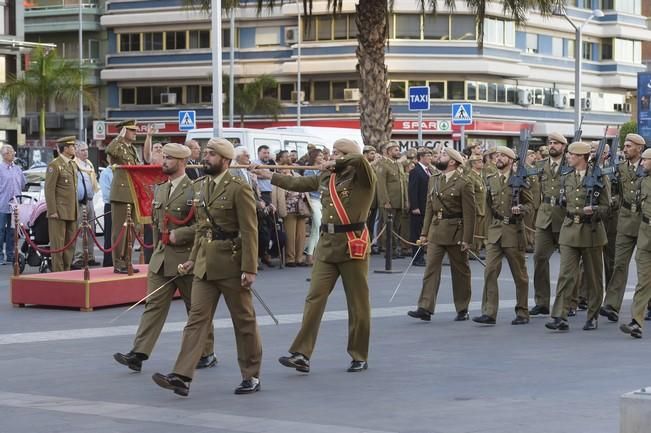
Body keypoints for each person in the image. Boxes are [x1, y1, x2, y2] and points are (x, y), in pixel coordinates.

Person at [152, 137, 262, 396]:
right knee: (196, 321)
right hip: (203, 266)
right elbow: (203, 229)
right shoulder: (201, 187)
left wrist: (250, 268)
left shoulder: (238, 187)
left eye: (212, 154)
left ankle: (251, 375)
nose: (206, 158)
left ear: (225, 160)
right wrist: (192, 258)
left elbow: (250, 230)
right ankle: (182, 376)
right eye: (206, 153)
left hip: (232, 264)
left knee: (243, 322)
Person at [256, 139, 376, 373]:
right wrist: (268, 175)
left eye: (336, 152)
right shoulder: (326, 177)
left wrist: (335, 162)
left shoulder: (363, 176)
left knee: (358, 303)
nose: (330, 156)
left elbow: (360, 159)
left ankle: (359, 354)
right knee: (314, 298)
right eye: (331, 152)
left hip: (353, 244)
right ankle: (301, 353)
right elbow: (298, 182)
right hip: (328, 245)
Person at [113, 143, 216, 373]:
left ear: (181, 162)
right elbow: (157, 224)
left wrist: (181, 234)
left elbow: (203, 225)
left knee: (196, 310)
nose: (164, 162)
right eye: (165, 157)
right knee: (153, 306)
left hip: (187, 258)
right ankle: (139, 353)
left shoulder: (196, 190)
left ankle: (207, 352)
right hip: (161, 258)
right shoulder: (160, 189)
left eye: (168, 159)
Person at [546, 141, 610, 332]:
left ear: (582, 157)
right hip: (569, 230)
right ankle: (560, 316)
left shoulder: (599, 177)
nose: (568, 157)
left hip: (591, 231)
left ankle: (592, 316)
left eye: (572, 155)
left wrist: (595, 209)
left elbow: (608, 208)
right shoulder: (566, 177)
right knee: (566, 275)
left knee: (593, 278)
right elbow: (561, 205)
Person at [407, 147, 475, 322]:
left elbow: (470, 213)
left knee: (460, 272)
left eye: (444, 155)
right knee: (431, 269)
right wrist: (424, 233)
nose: (439, 157)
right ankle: (425, 307)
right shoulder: (434, 179)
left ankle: (462, 308)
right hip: (436, 230)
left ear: (452, 161)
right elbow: (430, 207)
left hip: (456, 231)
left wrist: (467, 239)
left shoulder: (464, 182)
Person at [473, 146, 534, 326]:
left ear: (511, 160)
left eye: (503, 156)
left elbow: (531, 205)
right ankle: (489, 312)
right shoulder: (491, 179)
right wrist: (487, 232)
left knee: (519, 275)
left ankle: (522, 311)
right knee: (490, 270)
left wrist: (521, 209)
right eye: (497, 155)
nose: (498, 158)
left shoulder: (520, 180)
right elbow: (489, 206)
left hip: (513, 231)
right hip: (495, 230)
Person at [600, 133, 646, 323]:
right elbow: (618, 193)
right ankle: (611, 305)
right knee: (619, 263)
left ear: (639, 149)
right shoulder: (619, 169)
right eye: (625, 146)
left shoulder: (647, 168)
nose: (625, 149)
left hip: (645, 222)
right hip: (625, 220)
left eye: (629, 146)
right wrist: (612, 201)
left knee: (646, 268)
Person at [530, 132, 568, 316]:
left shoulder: (571, 165)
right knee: (539, 258)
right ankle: (542, 301)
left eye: (556, 143)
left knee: (569, 264)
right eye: (550, 142)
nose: (552, 145)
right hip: (544, 217)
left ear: (564, 146)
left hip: (565, 217)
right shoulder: (539, 166)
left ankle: (569, 303)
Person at [620, 148, 651, 338]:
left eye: (646, 160)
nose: (643, 163)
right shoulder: (642, 182)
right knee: (643, 281)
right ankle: (636, 322)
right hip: (646, 234)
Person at [107, 120, 141, 274]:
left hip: (133, 192)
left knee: (132, 230)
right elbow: (110, 150)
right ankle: (118, 262)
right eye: (132, 130)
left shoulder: (132, 149)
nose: (135, 132)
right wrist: (119, 137)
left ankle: (127, 260)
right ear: (123, 131)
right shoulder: (117, 146)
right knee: (120, 229)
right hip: (121, 193)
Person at [44, 136, 79, 272]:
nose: (74, 148)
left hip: (71, 210)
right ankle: (58, 271)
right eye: (72, 146)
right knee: (58, 244)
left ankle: (67, 269)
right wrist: (52, 210)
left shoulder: (72, 164)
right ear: (65, 148)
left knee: (70, 244)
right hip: (58, 211)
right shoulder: (55, 165)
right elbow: (49, 189)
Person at [272, 169, 310, 267]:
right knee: (290, 235)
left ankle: (299, 258)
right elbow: (274, 195)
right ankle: (290, 259)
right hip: (288, 210)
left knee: (301, 235)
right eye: (284, 170)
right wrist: (275, 209)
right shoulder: (278, 178)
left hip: (301, 209)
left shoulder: (298, 176)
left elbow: (305, 191)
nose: (286, 171)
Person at [376, 142, 407, 258]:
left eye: (398, 149)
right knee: (388, 226)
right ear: (388, 152)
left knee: (397, 226)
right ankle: (388, 250)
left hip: (399, 201)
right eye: (395, 150)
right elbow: (381, 184)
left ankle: (395, 248)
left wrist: (405, 200)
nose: (398, 152)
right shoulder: (383, 164)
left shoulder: (398, 165)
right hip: (389, 202)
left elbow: (403, 184)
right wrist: (385, 201)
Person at [72, 142, 99, 268]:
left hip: (89, 200)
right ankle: (78, 257)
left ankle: (90, 256)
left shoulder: (89, 164)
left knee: (90, 229)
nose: (85, 152)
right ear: (76, 151)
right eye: (82, 150)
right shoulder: (73, 164)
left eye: (86, 150)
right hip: (80, 201)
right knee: (80, 230)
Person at [0, 144, 26, 265]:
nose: (13, 154)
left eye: (13, 151)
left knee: (12, 231)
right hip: (2, 204)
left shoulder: (17, 169)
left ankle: (10, 255)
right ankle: (0, 255)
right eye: (10, 152)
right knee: (1, 230)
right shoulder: (0, 169)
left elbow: (22, 184)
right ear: (4, 155)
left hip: (15, 206)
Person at [407, 147, 433, 266]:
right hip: (419, 207)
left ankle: (422, 255)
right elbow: (412, 190)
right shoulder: (416, 171)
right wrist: (414, 206)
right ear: (421, 157)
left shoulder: (429, 170)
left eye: (430, 155)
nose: (430, 158)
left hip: (427, 206)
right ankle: (417, 257)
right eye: (427, 156)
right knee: (417, 233)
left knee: (424, 232)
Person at [253, 145, 275, 268]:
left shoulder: (270, 163)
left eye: (268, 152)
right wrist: (265, 174)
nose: (266, 155)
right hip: (260, 195)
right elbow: (256, 175)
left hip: (269, 194)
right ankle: (259, 255)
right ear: (259, 153)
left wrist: (267, 173)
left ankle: (265, 253)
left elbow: (271, 175)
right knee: (262, 227)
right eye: (264, 153)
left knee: (269, 225)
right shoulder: (256, 163)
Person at [304, 149, 324, 266]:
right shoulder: (309, 171)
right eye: (319, 155)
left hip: (322, 199)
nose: (321, 157)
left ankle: (312, 253)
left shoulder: (323, 168)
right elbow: (311, 185)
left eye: (322, 155)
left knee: (318, 228)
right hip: (313, 199)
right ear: (314, 157)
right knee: (317, 226)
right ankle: (310, 255)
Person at [466, 154, 486, 259]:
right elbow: (471, 195)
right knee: (475, 231)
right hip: (476, 209)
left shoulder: (479, 176)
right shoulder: (470, 177)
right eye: (478, 161)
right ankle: (472, 251)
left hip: (482, 208)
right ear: (473, 164)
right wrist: (475, 208)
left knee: (480, 231)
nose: (481, 163)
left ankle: (477, 250)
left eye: (481, 161)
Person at [99, 165, 113, 267]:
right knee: (109, 233)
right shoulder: (106, 173)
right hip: (110, 205)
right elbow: (107, 193)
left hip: (121, 205)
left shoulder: (121, 171)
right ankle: (108, 261)